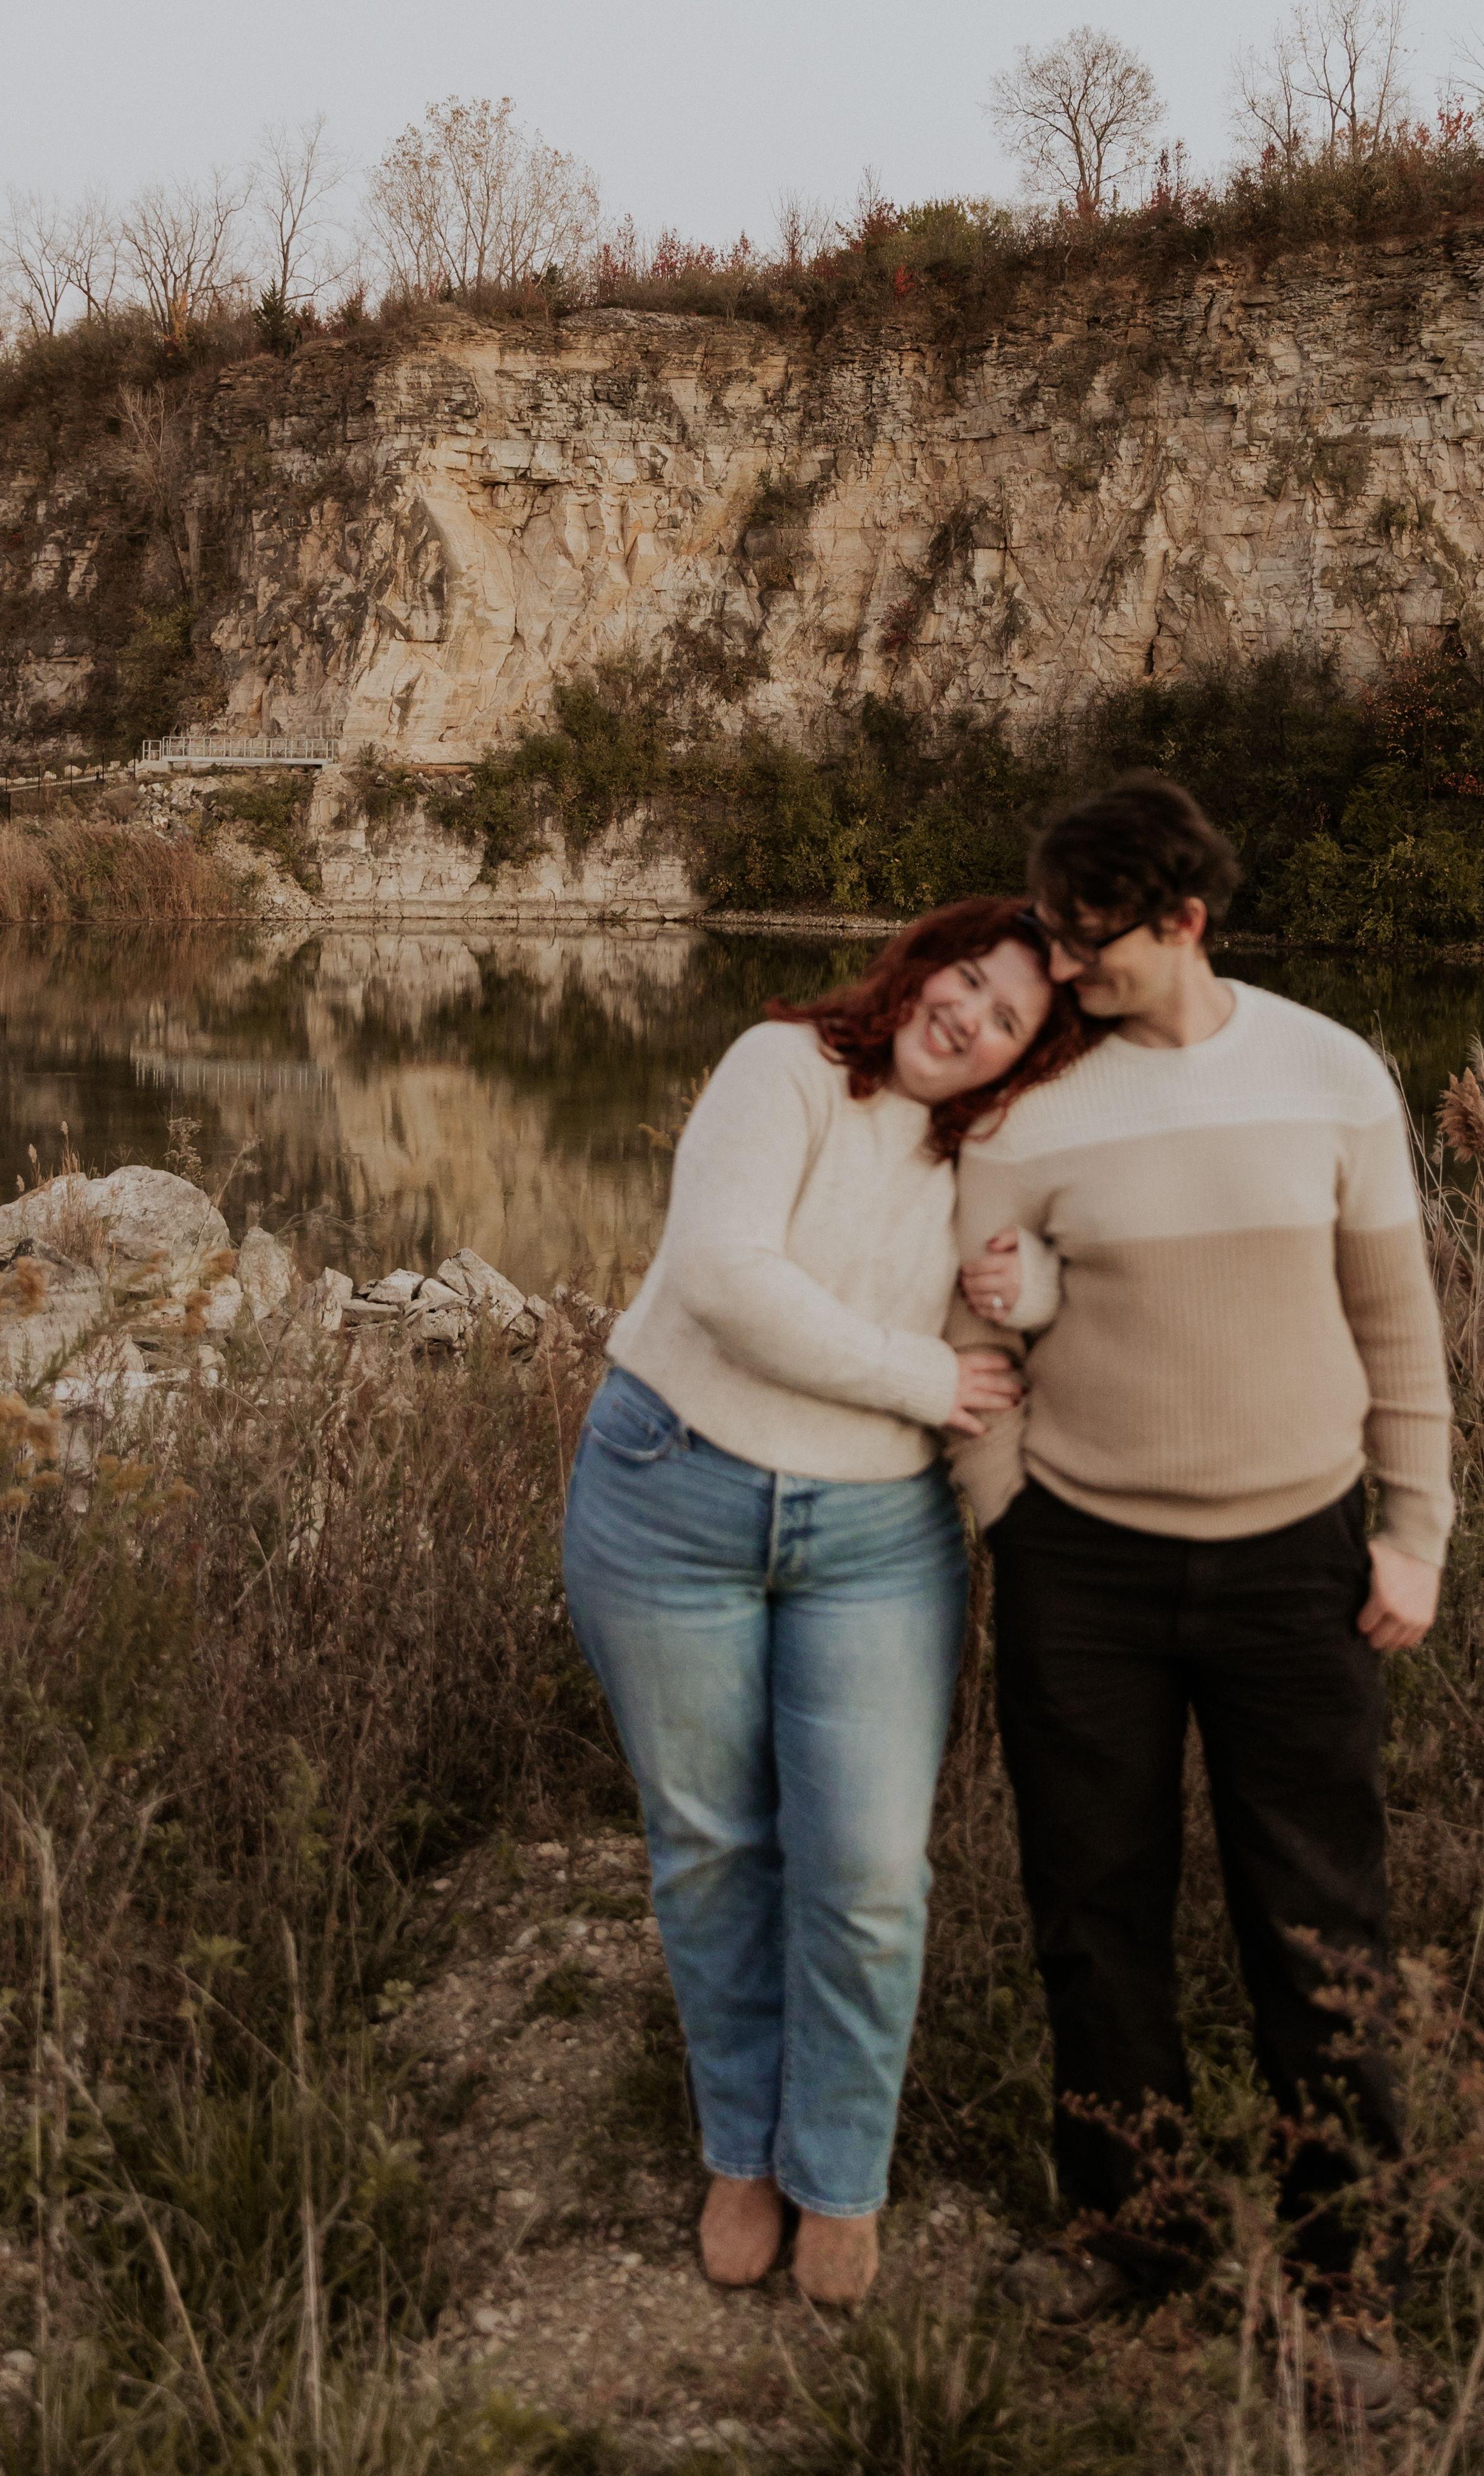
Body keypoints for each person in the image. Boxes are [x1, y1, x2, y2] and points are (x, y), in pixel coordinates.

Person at [951, 775, 1451, 2413]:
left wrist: (1412, 1529)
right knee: (1093, 1912)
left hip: (1295, 1565)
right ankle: (1135, 2234)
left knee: (1313, 1922)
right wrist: (1006, 1508)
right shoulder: (1026, 1111)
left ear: (1184, 917)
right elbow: (972, 1329)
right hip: (1080, 1569)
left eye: (1089, 938)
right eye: (1049, 934)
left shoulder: (1330, 1074)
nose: (1059, 966)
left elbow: (1395, 1324)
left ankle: (1345, 2278)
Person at [562, 899, 1095, 2307]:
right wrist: (924, 1376)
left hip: (874, 1535)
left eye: (1005, 1017)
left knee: (865, 1873)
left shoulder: (995, 1150)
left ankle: (839, 2174)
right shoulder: (782, 1065)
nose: (966, 1017)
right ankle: (742, 2151)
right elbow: (727, 1279)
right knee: (711, 1844)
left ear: (1025, 1056)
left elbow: (1086, 1257)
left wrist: (1033, 1278)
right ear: (919, 964)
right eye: (963, 978)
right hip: (670, 1491)